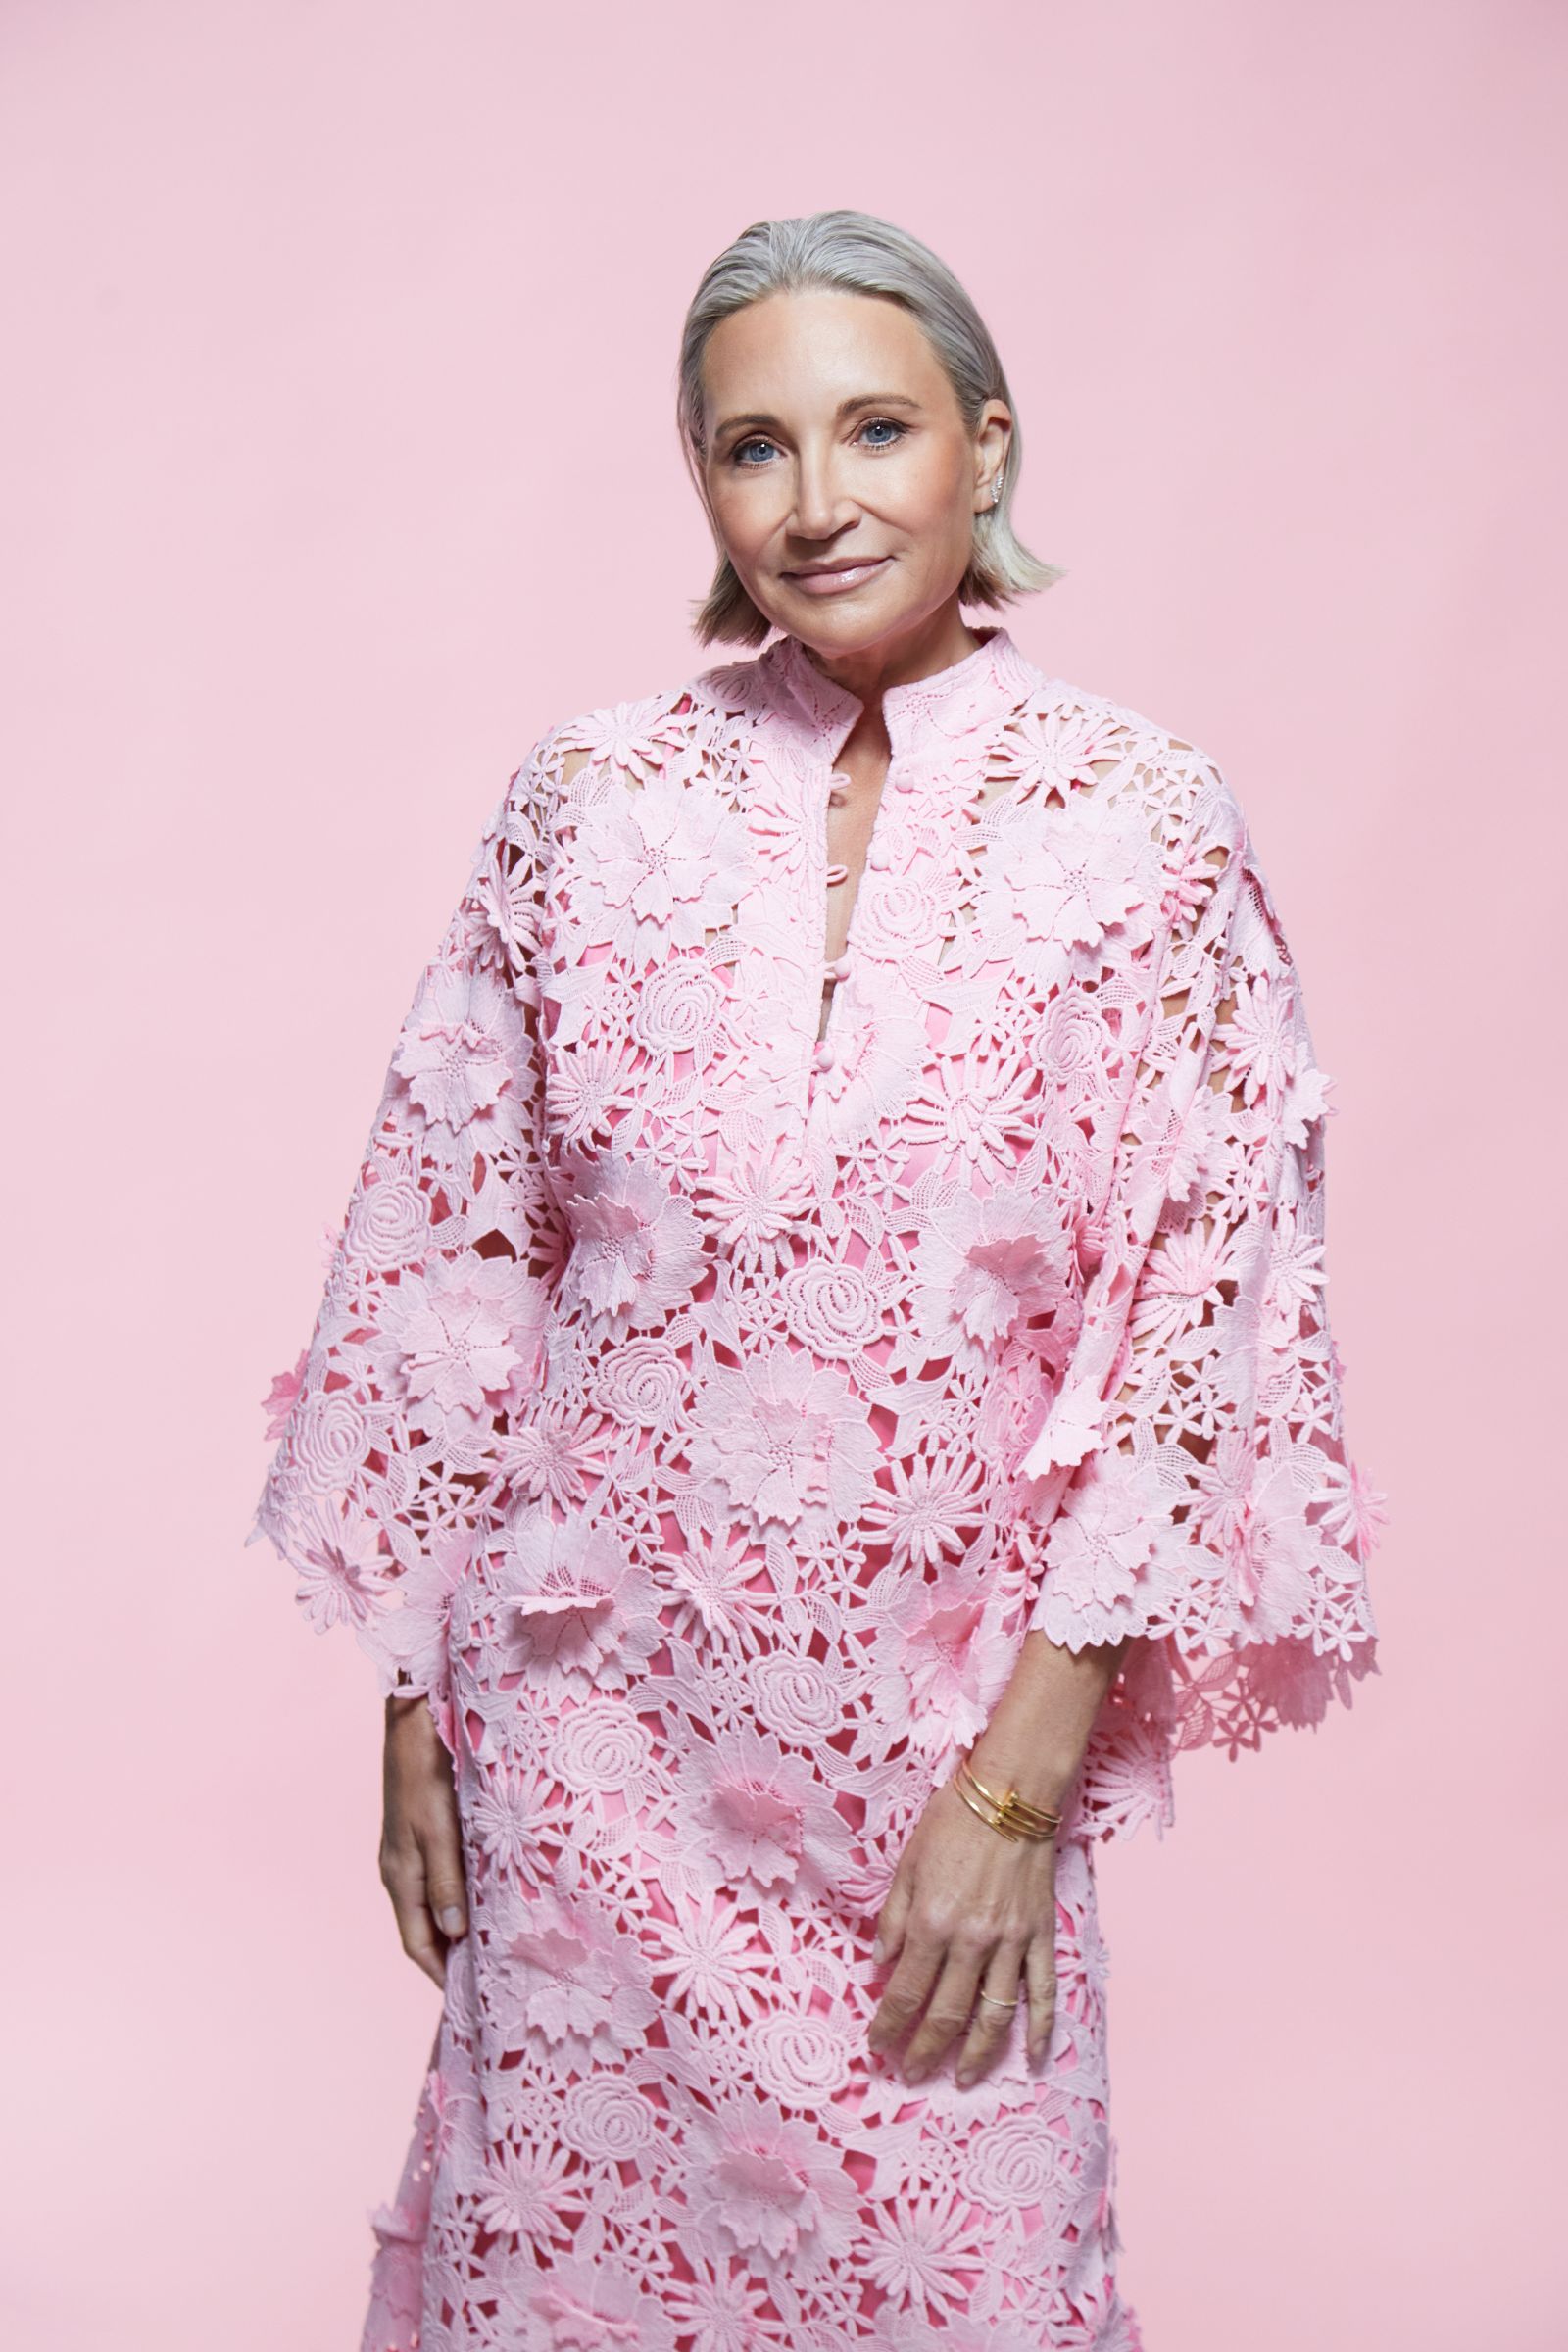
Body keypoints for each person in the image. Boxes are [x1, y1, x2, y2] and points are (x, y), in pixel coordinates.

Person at [253, 209, 1383, 2352]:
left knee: (955, 2276)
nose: (815, 496)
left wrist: (1010, 1801)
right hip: (577, 1748)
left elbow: (1187, 1336)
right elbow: (450, 1252)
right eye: (750, 445)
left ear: (984, 443)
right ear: (701, 486)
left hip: (927, 1764)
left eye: (872, 428)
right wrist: (417, 1686)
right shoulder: (585, 803)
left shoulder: (1139, 823)